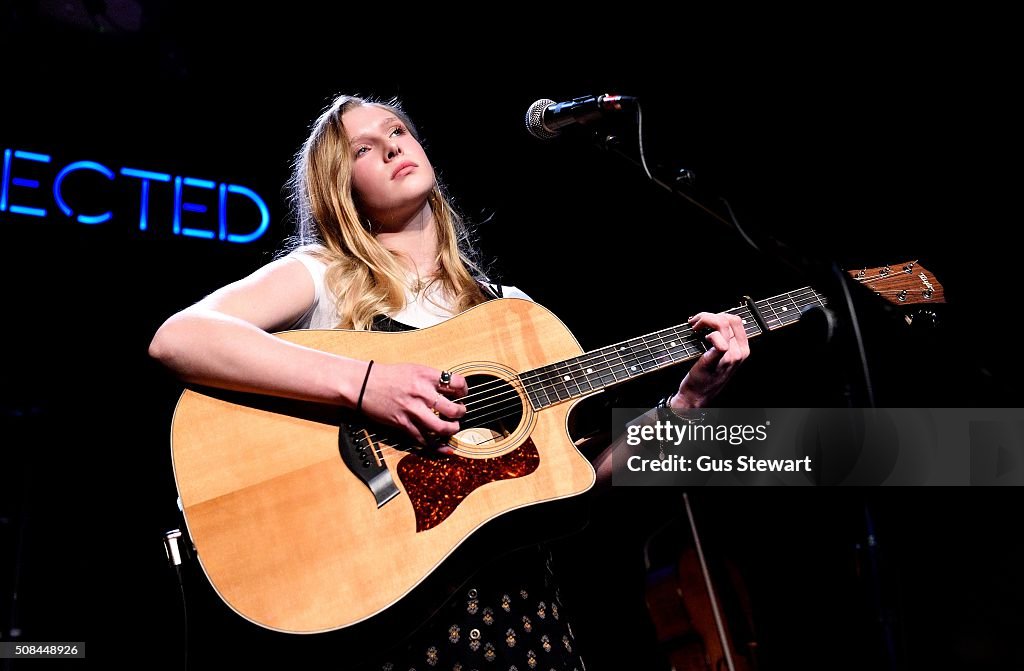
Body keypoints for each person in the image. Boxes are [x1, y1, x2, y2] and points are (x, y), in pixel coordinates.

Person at [149, 93, 749, 670]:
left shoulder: (511, 313)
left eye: (397, 132)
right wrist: (365, 385)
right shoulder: (323, 276)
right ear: (340, 184)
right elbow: (180, 338)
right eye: (362, 149)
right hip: (397, 620)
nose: (389, 147)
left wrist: (688, 404)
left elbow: (577, 479)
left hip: (525, 619)